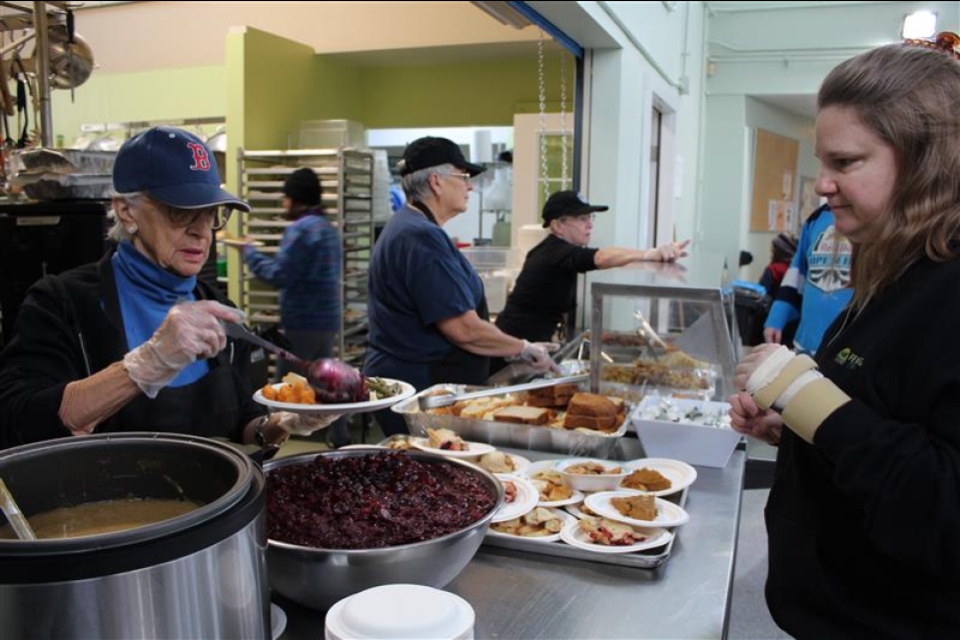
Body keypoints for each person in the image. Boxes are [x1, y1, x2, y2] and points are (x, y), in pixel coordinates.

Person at [729, 34, 960, 637]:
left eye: (845, 163)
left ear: (926, 161)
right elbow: (882, 423)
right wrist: (795, 427)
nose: (821, 185)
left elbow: (945, 508)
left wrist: (805, 395)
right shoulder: (897, 270)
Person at [0, 126, 332, 451]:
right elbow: (20, 421)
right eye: (180, 211)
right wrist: (145, 364)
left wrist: (279, 424)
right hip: (109, 504)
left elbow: (245, 422)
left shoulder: (217, 309)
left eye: (211, 213)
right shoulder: (61, 304)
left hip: (216, 504)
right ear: (126, 210)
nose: (203, 232)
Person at [364, 136, 558, 435]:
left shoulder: (410, 226)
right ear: (436, 182)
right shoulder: (420, 237)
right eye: (464, 177)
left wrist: (510, 352)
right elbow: (464, 330)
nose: (471, 186)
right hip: (418, 386)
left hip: (416, 379)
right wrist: (523, 348)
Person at [230, 167, 350, 447]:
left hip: (302, 322)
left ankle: (268, 439)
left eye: (285, 198)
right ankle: (341, 438)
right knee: (330, 382)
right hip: (327, 319)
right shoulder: (327, 229)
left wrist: (248, 250)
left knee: (281, 385)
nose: (284, 204)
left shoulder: (300, 230)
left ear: (296, 198)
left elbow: (279, 274)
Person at [493, 190, 689, 349]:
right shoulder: (554, 252)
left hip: (528, 341)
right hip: (514, 345)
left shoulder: (559, 251)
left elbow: (617, 261)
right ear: (557, 225)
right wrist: (650, 254)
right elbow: (602, 258)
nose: (590, 224)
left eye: (590, 217)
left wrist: (660, 258)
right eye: (581, 218)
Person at [763, 205, 852, 354]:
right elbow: (796, 273)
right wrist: (777, 318)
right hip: (806, 343)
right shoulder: (816, 218)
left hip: (848, 348)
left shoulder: (875, 217)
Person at [758, 232, 796, 299]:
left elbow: (760, 294)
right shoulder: (795, 269)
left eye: (774, 248)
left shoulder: (773, 270)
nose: (771, 250)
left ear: (779, 251)